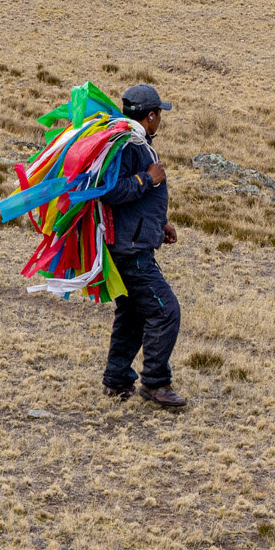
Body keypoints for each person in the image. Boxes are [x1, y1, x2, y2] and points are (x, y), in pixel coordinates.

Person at [99, 84, 185, 409]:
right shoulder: (128, 145)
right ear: (150, 116)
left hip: (130, 242)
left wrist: (159, 223)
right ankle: (155, 383)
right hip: (131, 252)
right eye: (159, 114)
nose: (160, 119)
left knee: (133, 314)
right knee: (165, 311)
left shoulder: (134, 141)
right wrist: (148, 179)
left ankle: (117, 379)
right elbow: (110, 191)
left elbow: (132, 202)